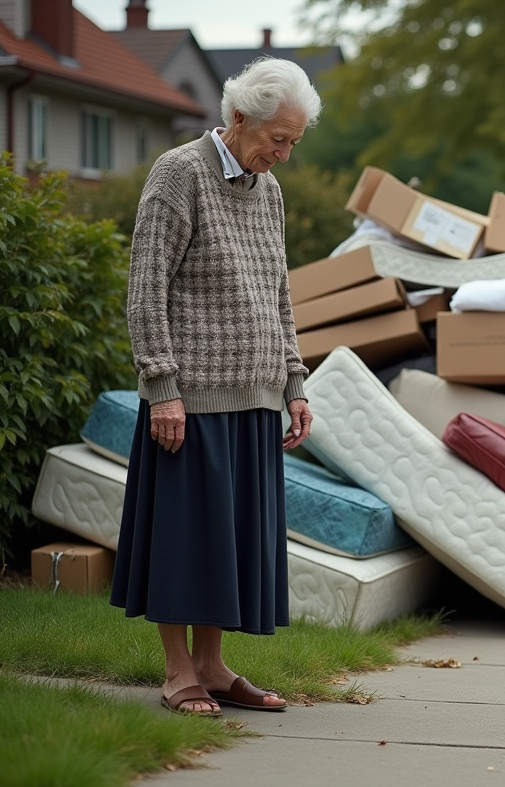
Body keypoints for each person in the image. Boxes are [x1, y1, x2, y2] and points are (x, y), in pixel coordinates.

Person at [110, 57, 321, 717]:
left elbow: (278, 293)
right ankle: (178, 674)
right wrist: (162, 384)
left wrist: (295, 382)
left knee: (230, 541)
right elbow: (145, 290)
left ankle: (213, 664)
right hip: (191, 397)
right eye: (276, 139)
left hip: (255, 394)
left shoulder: (269, 191)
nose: (283, 154)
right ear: (238, 119)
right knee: (185, 539)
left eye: (294, 142)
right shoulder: (179, 173)